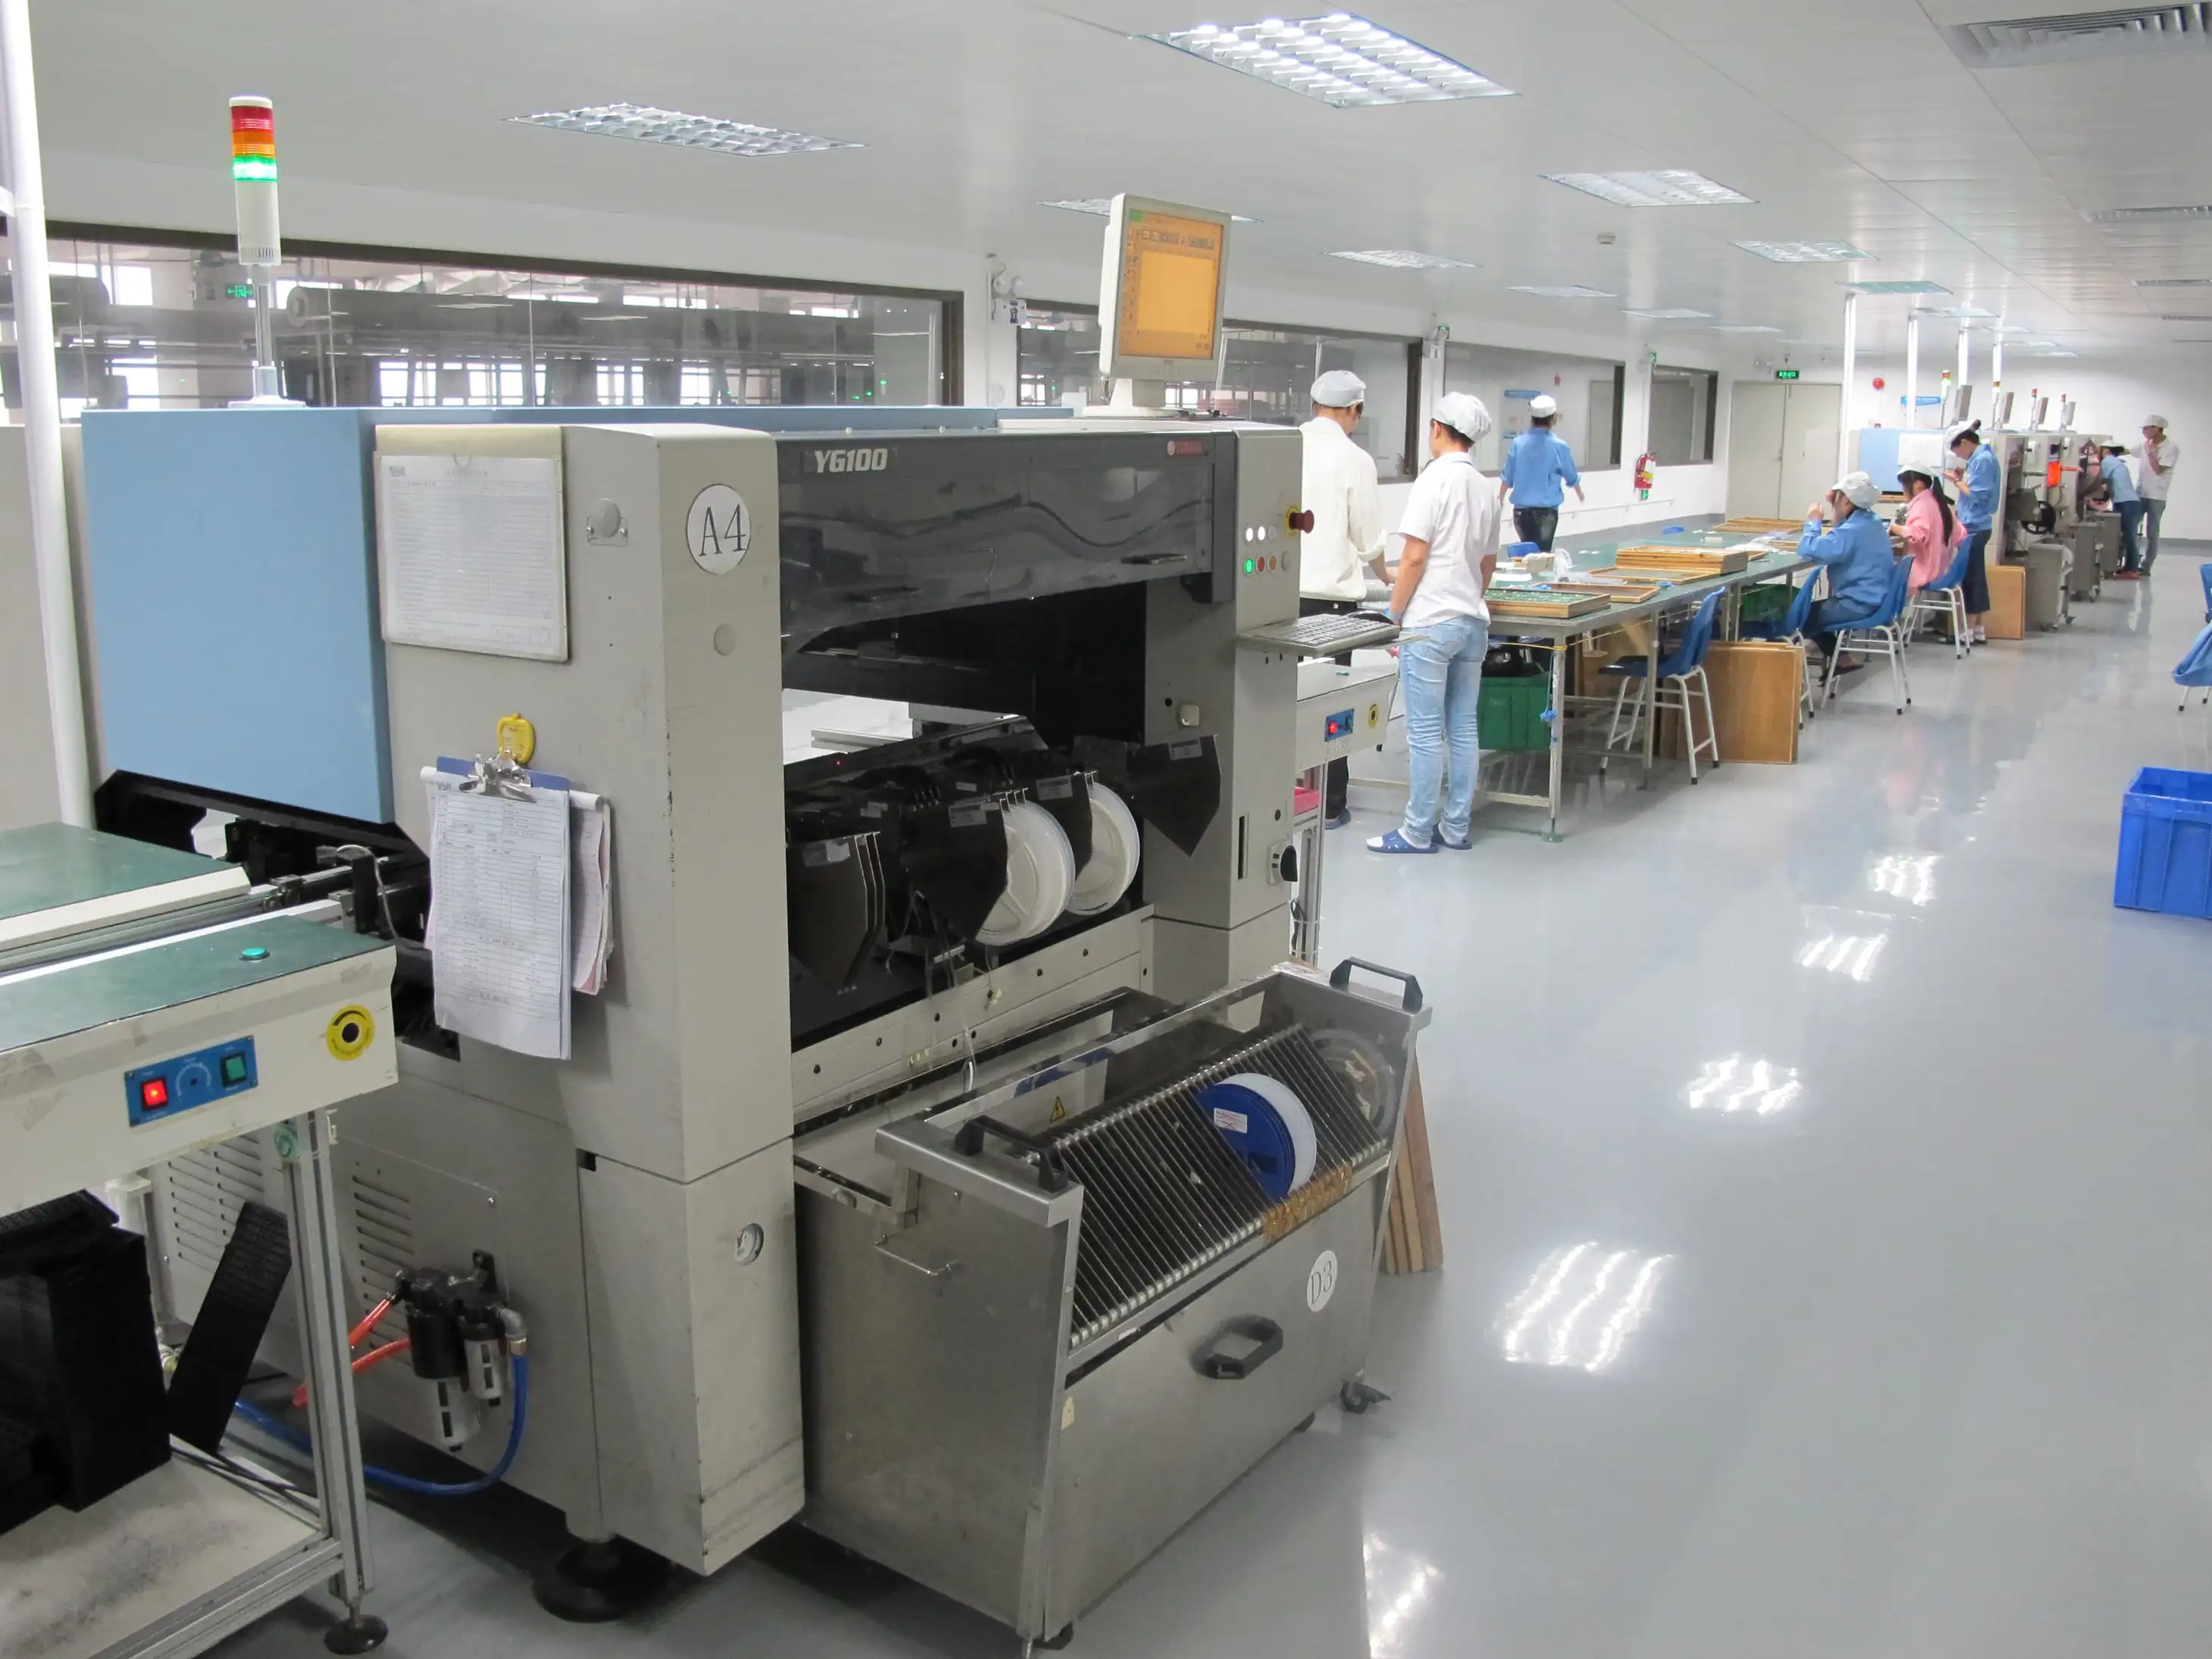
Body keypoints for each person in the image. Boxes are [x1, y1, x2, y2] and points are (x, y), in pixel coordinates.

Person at [1369, 392, 1500, 855]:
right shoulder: (1485, 488)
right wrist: (1469, 597)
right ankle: (1455, 828)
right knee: (1463, 729)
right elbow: (1488, 563)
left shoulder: (1434, 480)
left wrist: (1394, 615)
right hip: (1472, 623)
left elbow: (1414, 557)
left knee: (1424, 734)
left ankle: (1417, 831)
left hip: (1430, 624)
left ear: (1438, 429)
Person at [1298, 368, 1389, 829]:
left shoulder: (1283, 446)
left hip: (1274, 600)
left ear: (1314, 406)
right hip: (1331, 609)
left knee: (1277, 699)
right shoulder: (1355, 459)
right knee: (1330, 706)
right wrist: (1390, 578)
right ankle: (1330, 803)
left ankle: (1280, 796)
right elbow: (1369, 538)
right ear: (1355, 410)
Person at [1799, 472, 1899, 670]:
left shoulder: (1853, 530)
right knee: (1811, 612)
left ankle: (1837, 659)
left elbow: (1809, 549)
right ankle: (1841, 659)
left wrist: (1814, 521)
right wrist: (1838, 511)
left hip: (1859, 604)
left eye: (1837, 498)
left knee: (1801, 614)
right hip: (1877, 600)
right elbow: (1840, 536)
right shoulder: (1872, 521)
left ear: (1846, 499)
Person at [1499, 393, 1584, 553]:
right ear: (1554, 419)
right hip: (1546, 514)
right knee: (1542, 557)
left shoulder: (1518, 444)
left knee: (1527, 554)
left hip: (1520, 513)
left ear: (1532, 419)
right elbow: (1571, 476)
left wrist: (1500, 499)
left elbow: (1507, 477)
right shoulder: (1559, 446)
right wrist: (1581, 495)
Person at [1947, 422, 2000, 642]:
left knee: (1971, 580)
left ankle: (1967, 632)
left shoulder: (1983, 460)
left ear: (1964, 442)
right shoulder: (1979, 459)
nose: (1957, 456)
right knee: (1977, 577)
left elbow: (1977, 495)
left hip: (1975, 527)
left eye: (1956, 451)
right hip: (1975, 525)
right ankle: (1978, 630)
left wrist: (1957, 482)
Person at [1894, 466, 1964, 594]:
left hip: (1926, 573)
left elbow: (1916, 536)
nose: (1903, 491)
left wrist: (1895, 528)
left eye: (1905, 486)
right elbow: (1960, 534)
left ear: (1918, 485)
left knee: (1887, 571)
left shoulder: (1921, 505)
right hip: (1943, 570)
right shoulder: (1940, 503)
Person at [2132, 416, 2178, 574]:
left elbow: (2158, 470)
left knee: (2152, 532)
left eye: (2146, 429)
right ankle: (2132, 563)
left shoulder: (2171, 448)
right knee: (2132, 527)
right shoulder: (2145, 445)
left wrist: (2151, 452)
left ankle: (2146, 567)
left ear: (2157, 429)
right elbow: (2129, 451)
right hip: (2141, 492)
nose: (2144, 432)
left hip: (2157, 495)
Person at [2103, 442, 2146, 577]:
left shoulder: (2107, 461)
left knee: (2130, 537)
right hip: (2128, 502)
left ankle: (2132, 570)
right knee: (2128, 537)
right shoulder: (2119, 462)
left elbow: (2101, 481)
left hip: (2126, 503)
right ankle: (2129, 568)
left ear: (2106, 451)